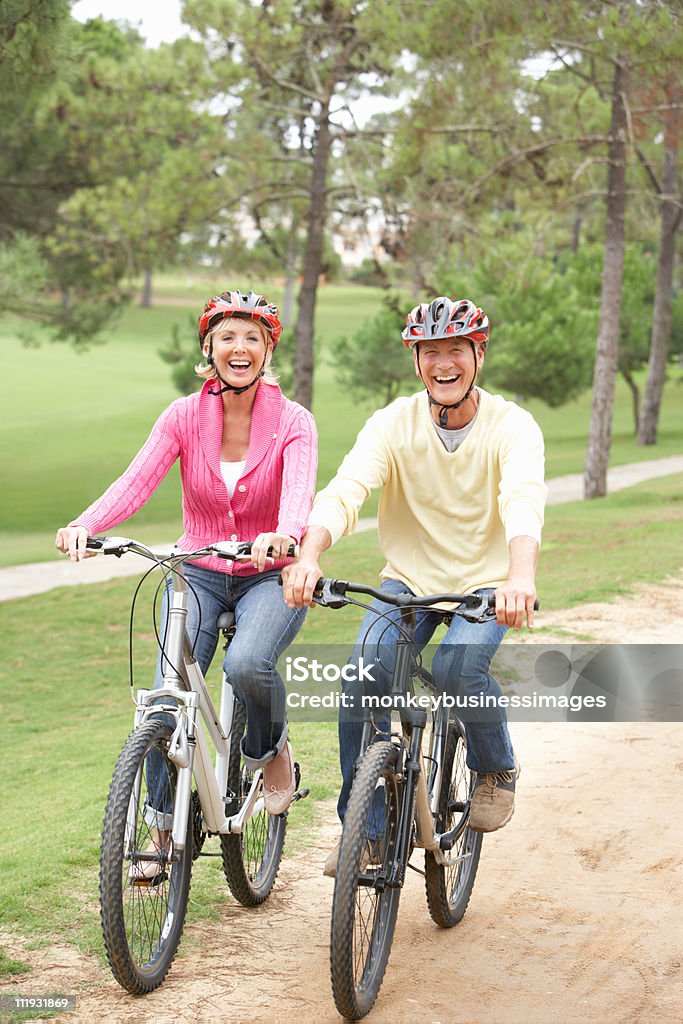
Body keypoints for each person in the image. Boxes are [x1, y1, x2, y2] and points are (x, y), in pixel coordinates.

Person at [282, 295, 546, 876]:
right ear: (416, 360)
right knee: (361, 682)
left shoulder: (513, 425)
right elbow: (347, 488)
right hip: (408, 580)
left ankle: (495, 765)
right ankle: (367, 831)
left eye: (457, 350)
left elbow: (523, 501)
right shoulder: (393, 423)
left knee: (457, 668)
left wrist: (520, 576)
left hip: (487, 582)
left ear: (479, 354)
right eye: (431, 352)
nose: (443, 363)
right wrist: (309, 554)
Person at [56, 290, 318, 865]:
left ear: (268, 348)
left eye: (252, 337)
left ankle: (270, 748)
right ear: (209, 348)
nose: (239, 348)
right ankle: (157, 829)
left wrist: (286, 534)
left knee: (250, 663)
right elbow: (136, 481)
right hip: (197, 570)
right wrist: (86, 525)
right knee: (163, 702)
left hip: (268, 574)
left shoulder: (294, 421)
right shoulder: (182, 416)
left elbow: (299, 493)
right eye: (227, 337)